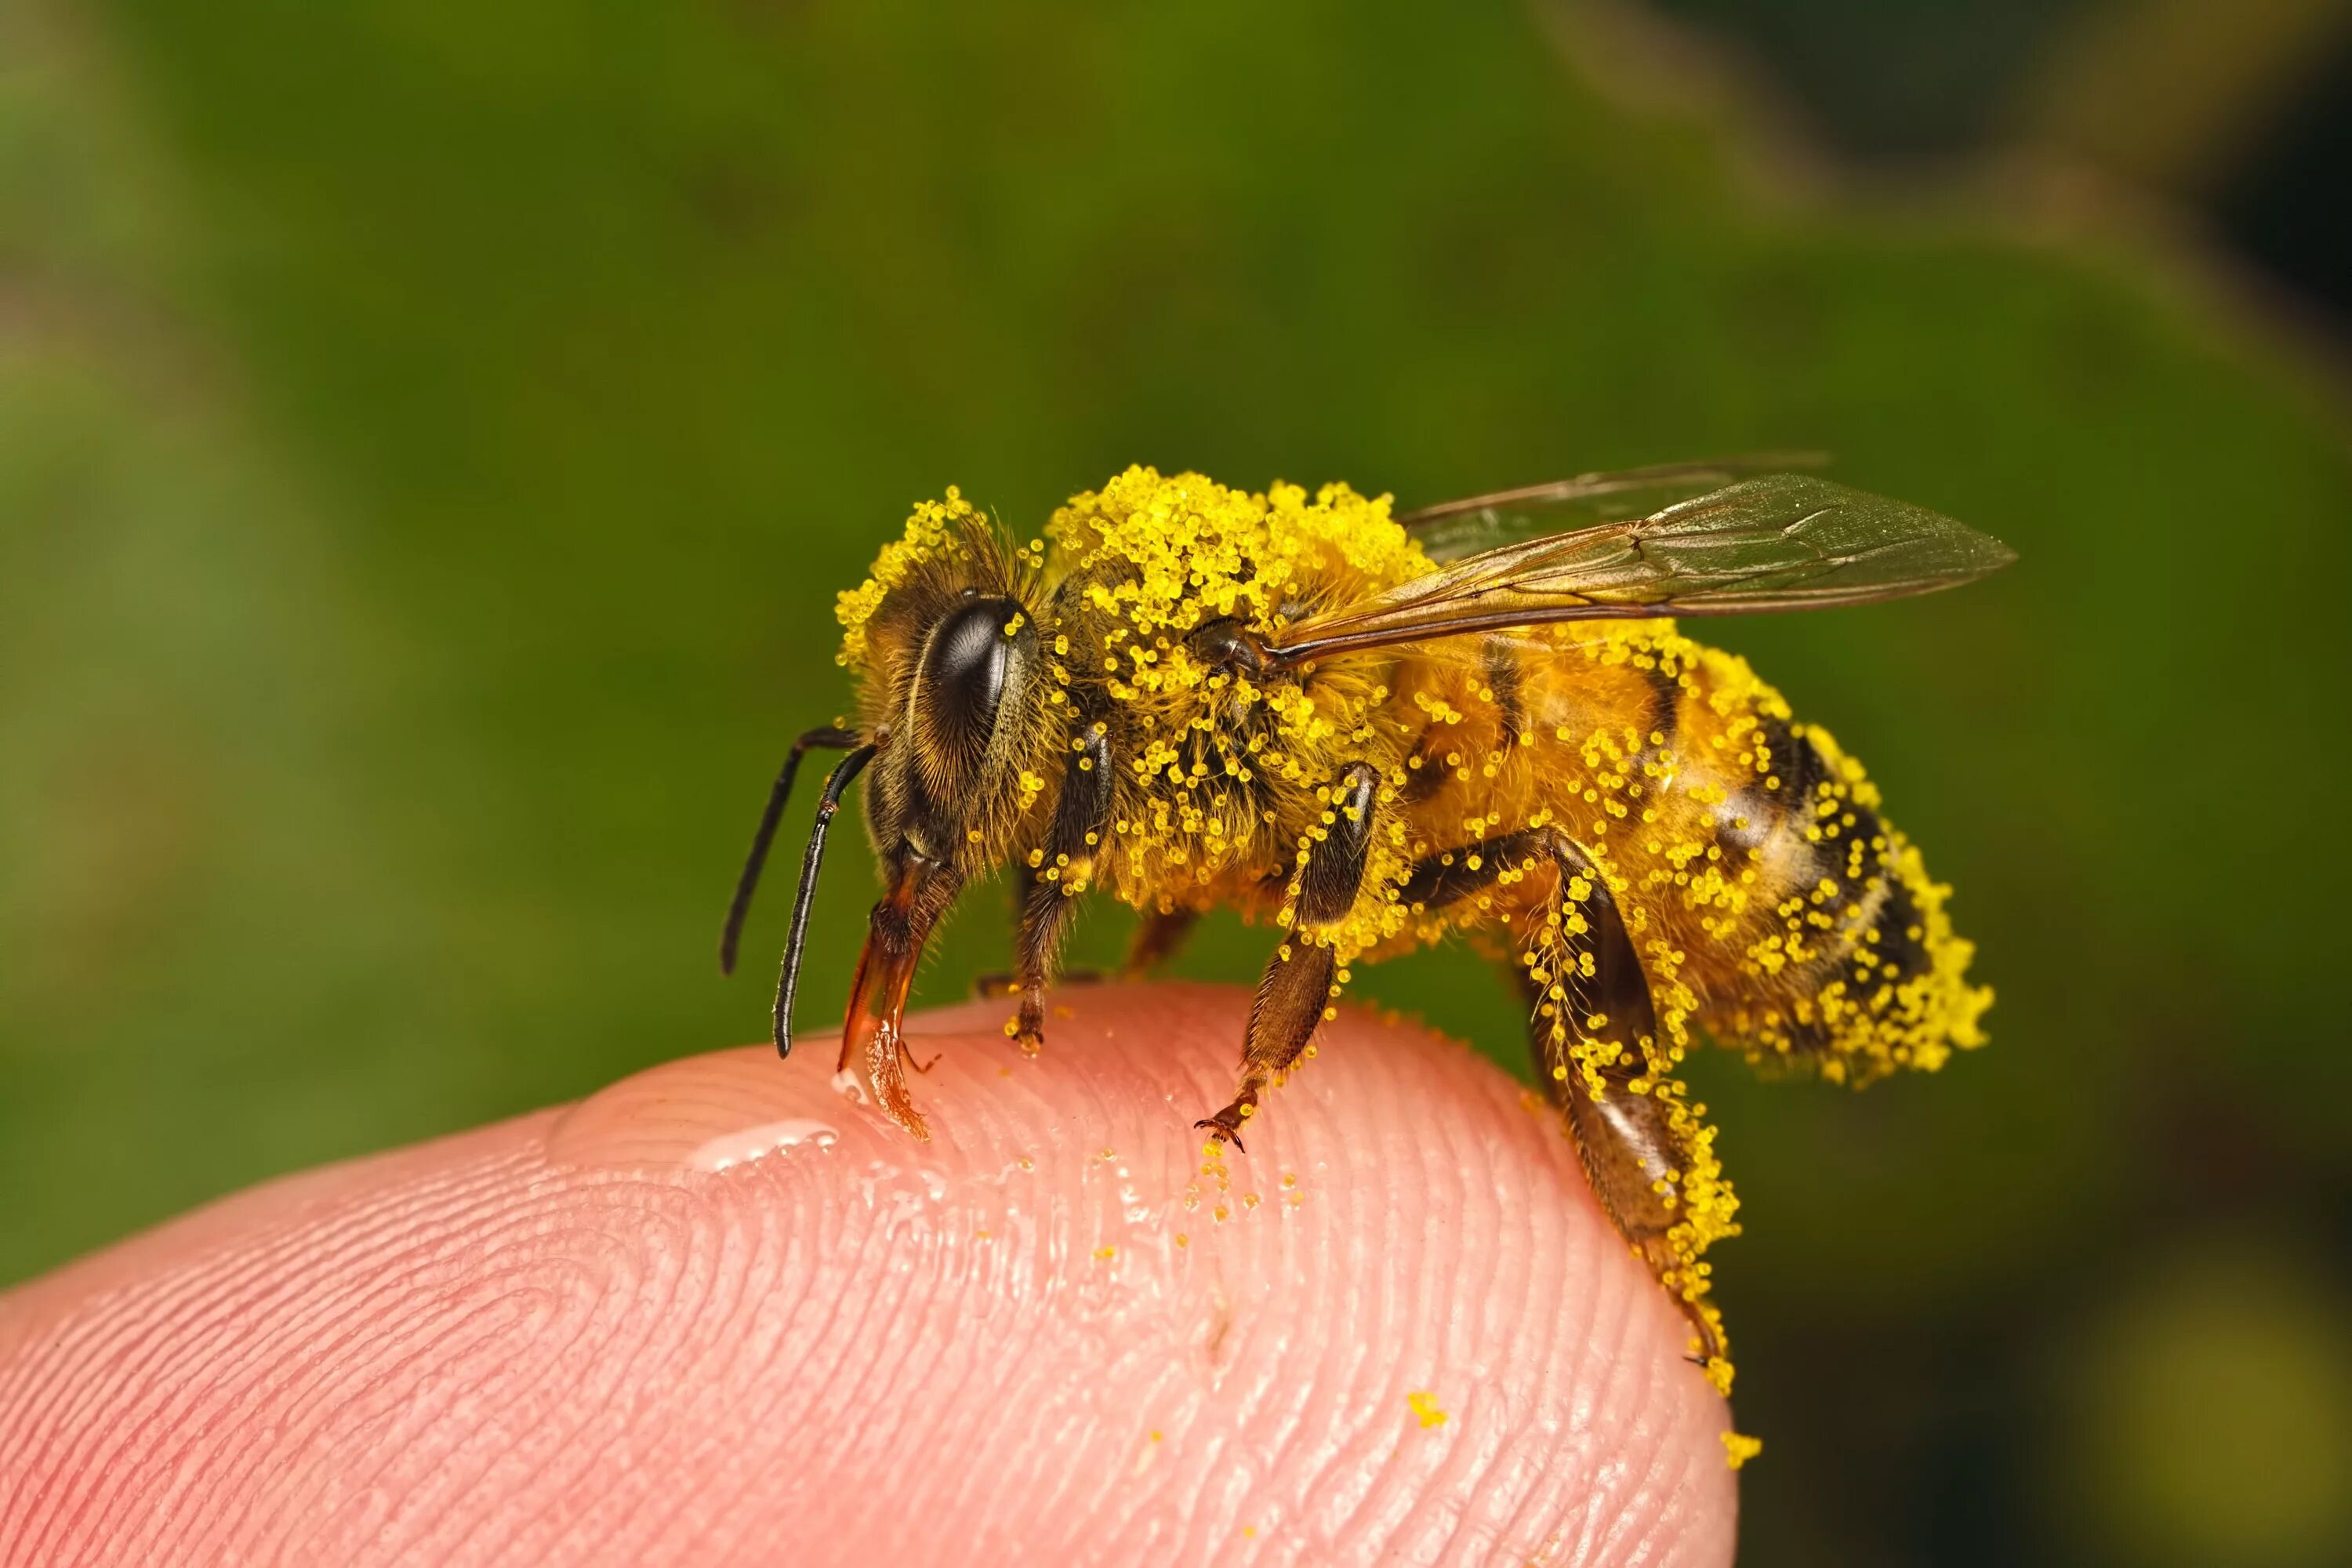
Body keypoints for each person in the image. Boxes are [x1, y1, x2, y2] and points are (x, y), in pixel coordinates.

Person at [0, 985, 1737, 1566]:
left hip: (1673, 801)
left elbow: (1345, 804)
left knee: (1550, 857)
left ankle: (1650, 1171)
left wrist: (1260, 1070)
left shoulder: (1252, 674)